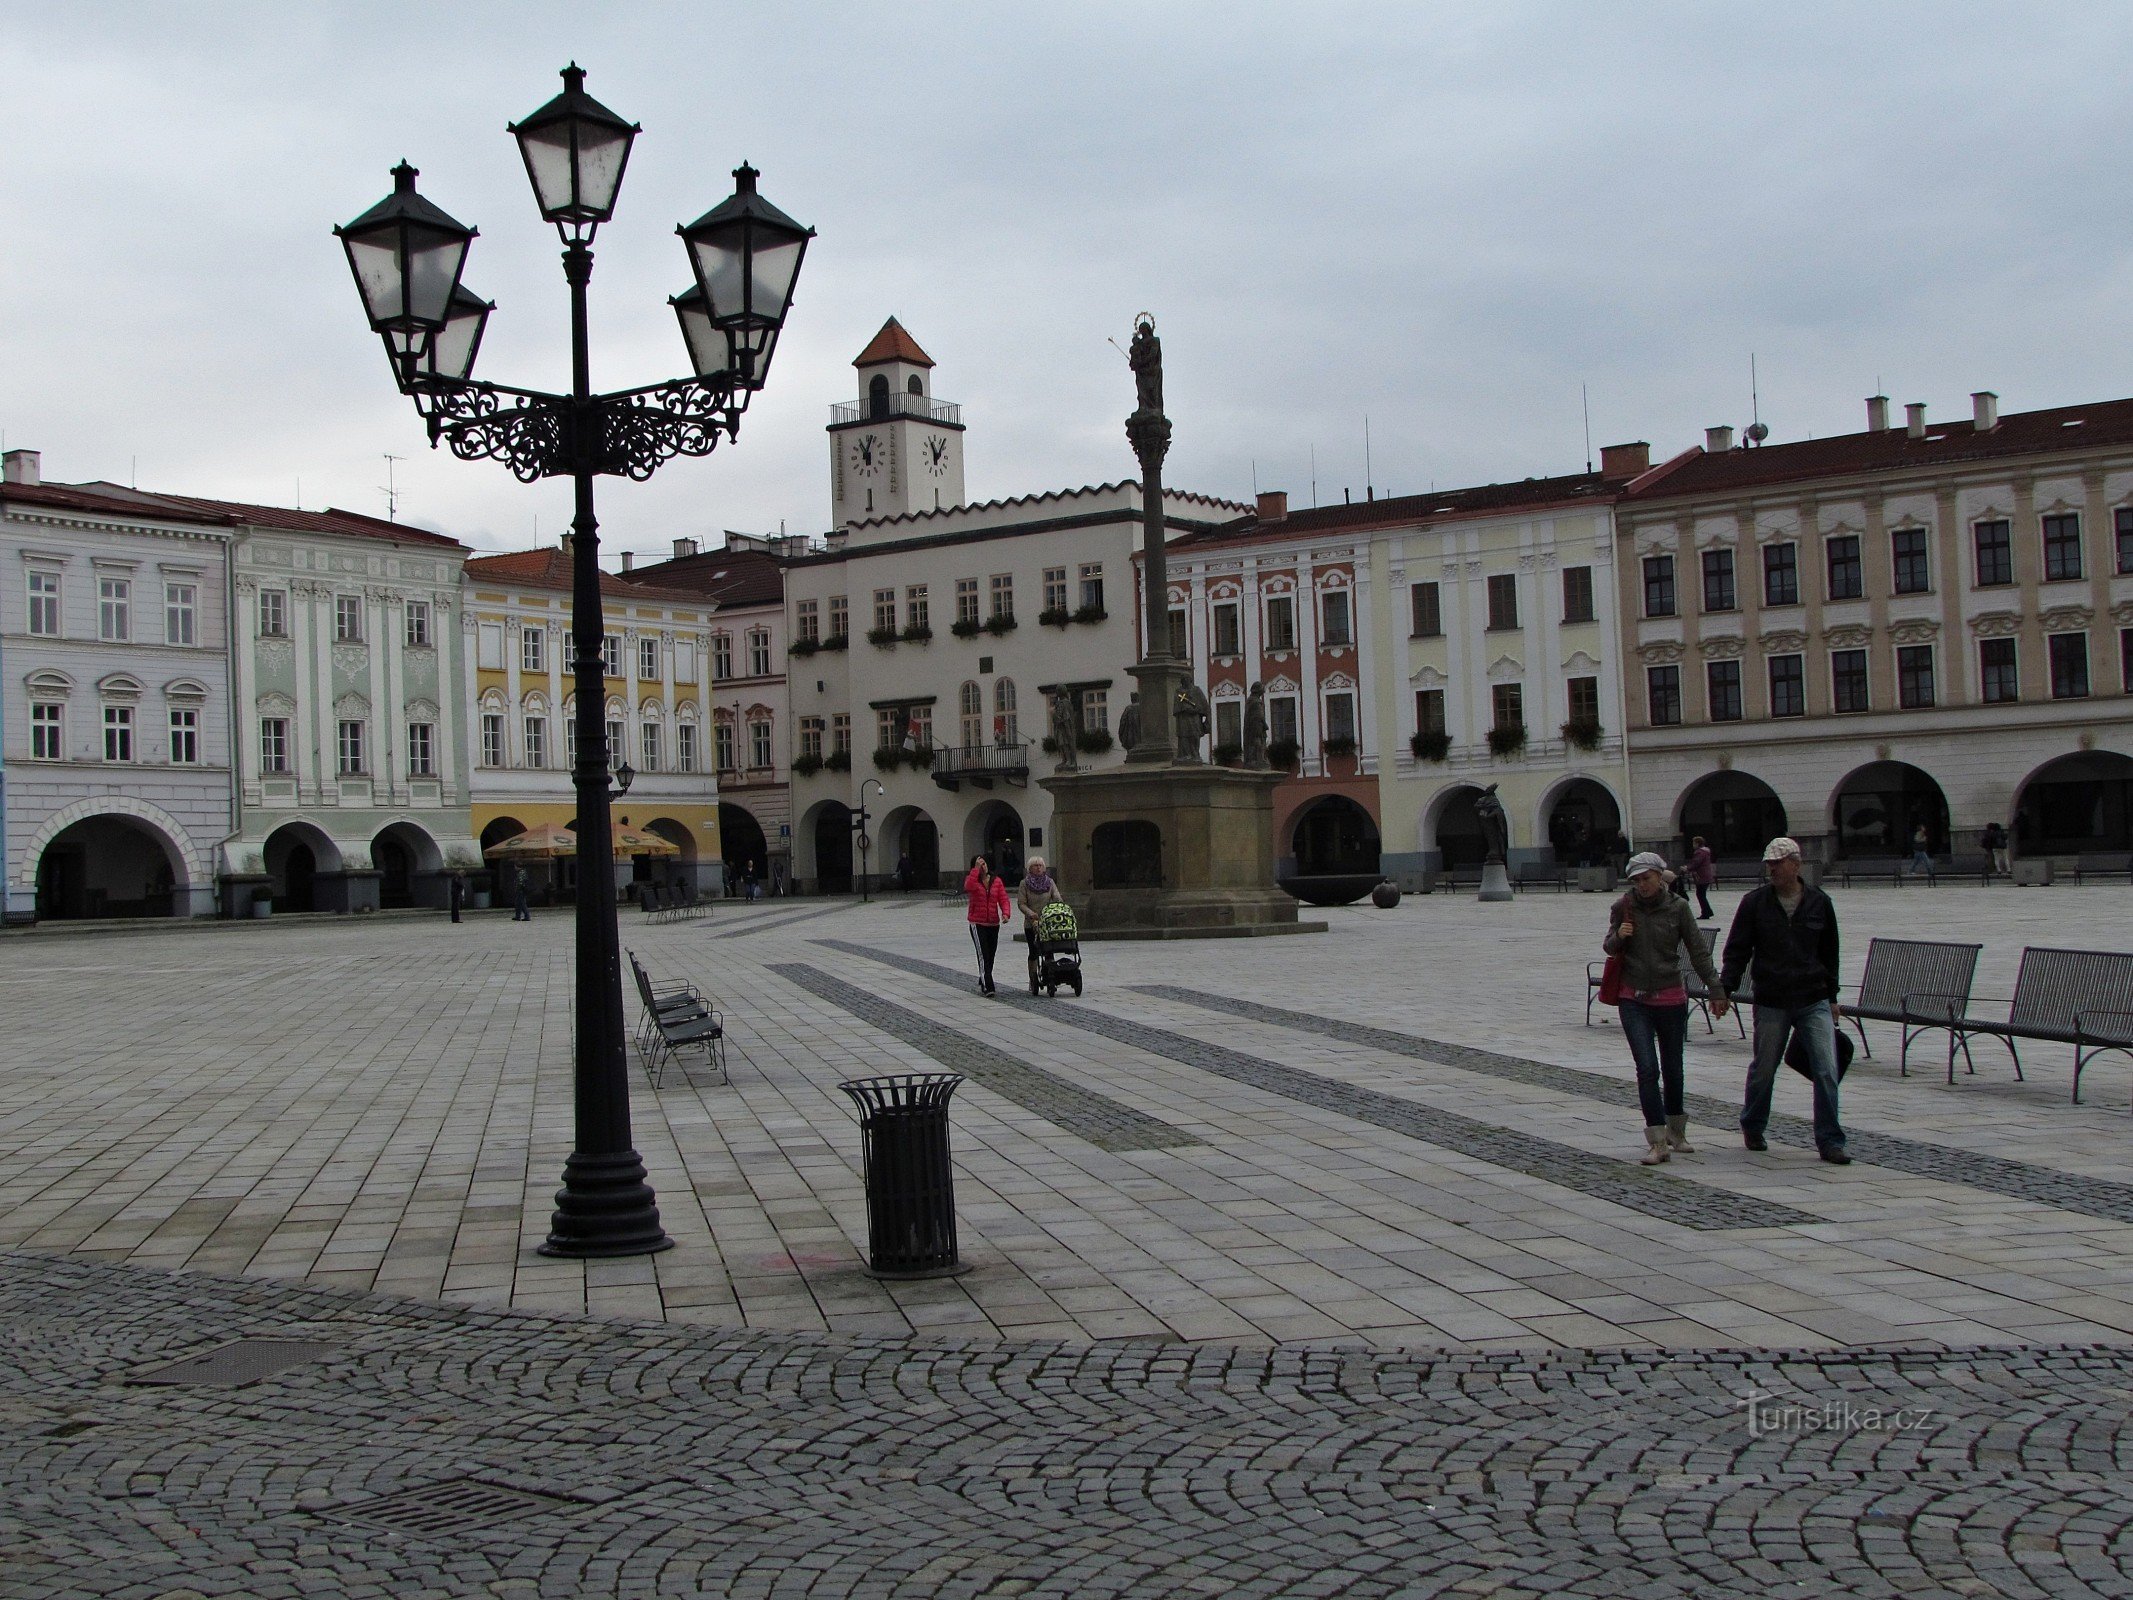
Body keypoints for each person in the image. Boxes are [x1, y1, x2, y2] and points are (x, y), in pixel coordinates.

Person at [1719, 836, 1849, 1164]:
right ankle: (1753, 1124)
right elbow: (1737, 949)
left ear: (1796, 864)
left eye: (1778, 863)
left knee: (1826, 1069)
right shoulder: (1754, 903)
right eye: (1769, 864)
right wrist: (1725, 988)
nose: (1772, 869)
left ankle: (1830, 1140)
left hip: (1813, 997)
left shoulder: (1820, 902)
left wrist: (1832, 996)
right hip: (1772, 998)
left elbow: (1829, 953)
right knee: (1764, 1068)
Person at [1604, 852, 1727, 1164]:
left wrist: (1715, 988)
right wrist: (1619, 936)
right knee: (1647, 1068)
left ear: (1660, 877)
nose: (1642, 885)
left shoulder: (1678, 908)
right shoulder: (1623, 906)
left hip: (1670, 996)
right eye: (1637, 880)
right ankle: (1657, 1140)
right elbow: (1608, 945)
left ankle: (1677, 1131)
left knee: (1673, 1068)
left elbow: (1698, 951)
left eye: (1647, 878)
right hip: (1633, 998)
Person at [963, 854, 1012, 996]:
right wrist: (975, 871)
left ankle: (984, 975)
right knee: (983, 954)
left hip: (993, 923)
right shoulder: (972, 880)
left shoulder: (996, 881)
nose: (982, 867)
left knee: (991, 954)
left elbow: (1003, 898)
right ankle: (988, 985)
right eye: (979, 865)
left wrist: (1006, 913)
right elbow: (969, 887)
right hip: (977, 923)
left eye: (984, 864)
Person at [1017, 854, 1063, 991]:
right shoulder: (1024, 884)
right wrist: (1030, 913)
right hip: (1031, 923)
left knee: (1049, 950)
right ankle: (1032, 978)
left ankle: (1051, 976)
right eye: (1035, 866)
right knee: (1033, 951)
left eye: (1040, 865)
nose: (1038, 868)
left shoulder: (1050, 882)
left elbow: (1057, 897)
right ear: (1029, 869)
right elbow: (1021, 903)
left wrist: (1056, 907)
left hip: (1048, 922)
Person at [1686, 836, 1716, 921]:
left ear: (1697, 843)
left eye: (1694, 843)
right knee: (1701, 894)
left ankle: (1706, 913)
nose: (1693, 845)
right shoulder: (1706, 852)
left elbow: (1696, 863)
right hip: (1705, 876)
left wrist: (1687, 868)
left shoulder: (1700, 852)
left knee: (1700, 895)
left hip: (1702, 876)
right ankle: (1707, 911)